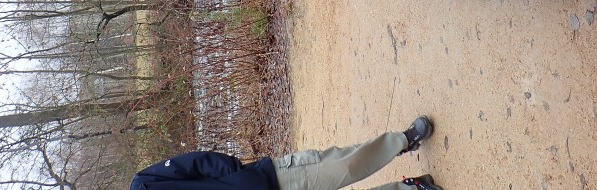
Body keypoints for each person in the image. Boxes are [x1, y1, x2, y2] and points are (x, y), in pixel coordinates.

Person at [128, 115, 443, 190]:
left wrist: (240, 178)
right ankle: (412, 188)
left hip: (271, 181)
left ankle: (402, 140)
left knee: (344, 166)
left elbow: (196, 162)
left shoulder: (143, 184)